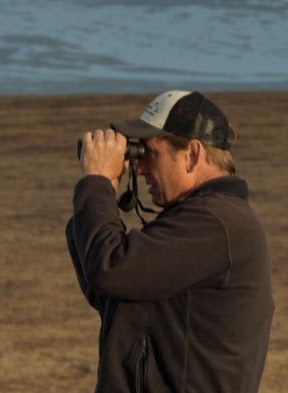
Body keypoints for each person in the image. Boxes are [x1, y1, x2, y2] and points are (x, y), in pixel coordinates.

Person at [66, 90, 274, 393]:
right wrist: (102, 192)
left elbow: (110, 270)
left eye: (150, 153)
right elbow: (110, 293)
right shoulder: (196, 220)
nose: (139, 168)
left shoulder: (216, 224)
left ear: (192, 154)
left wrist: (96, 184)